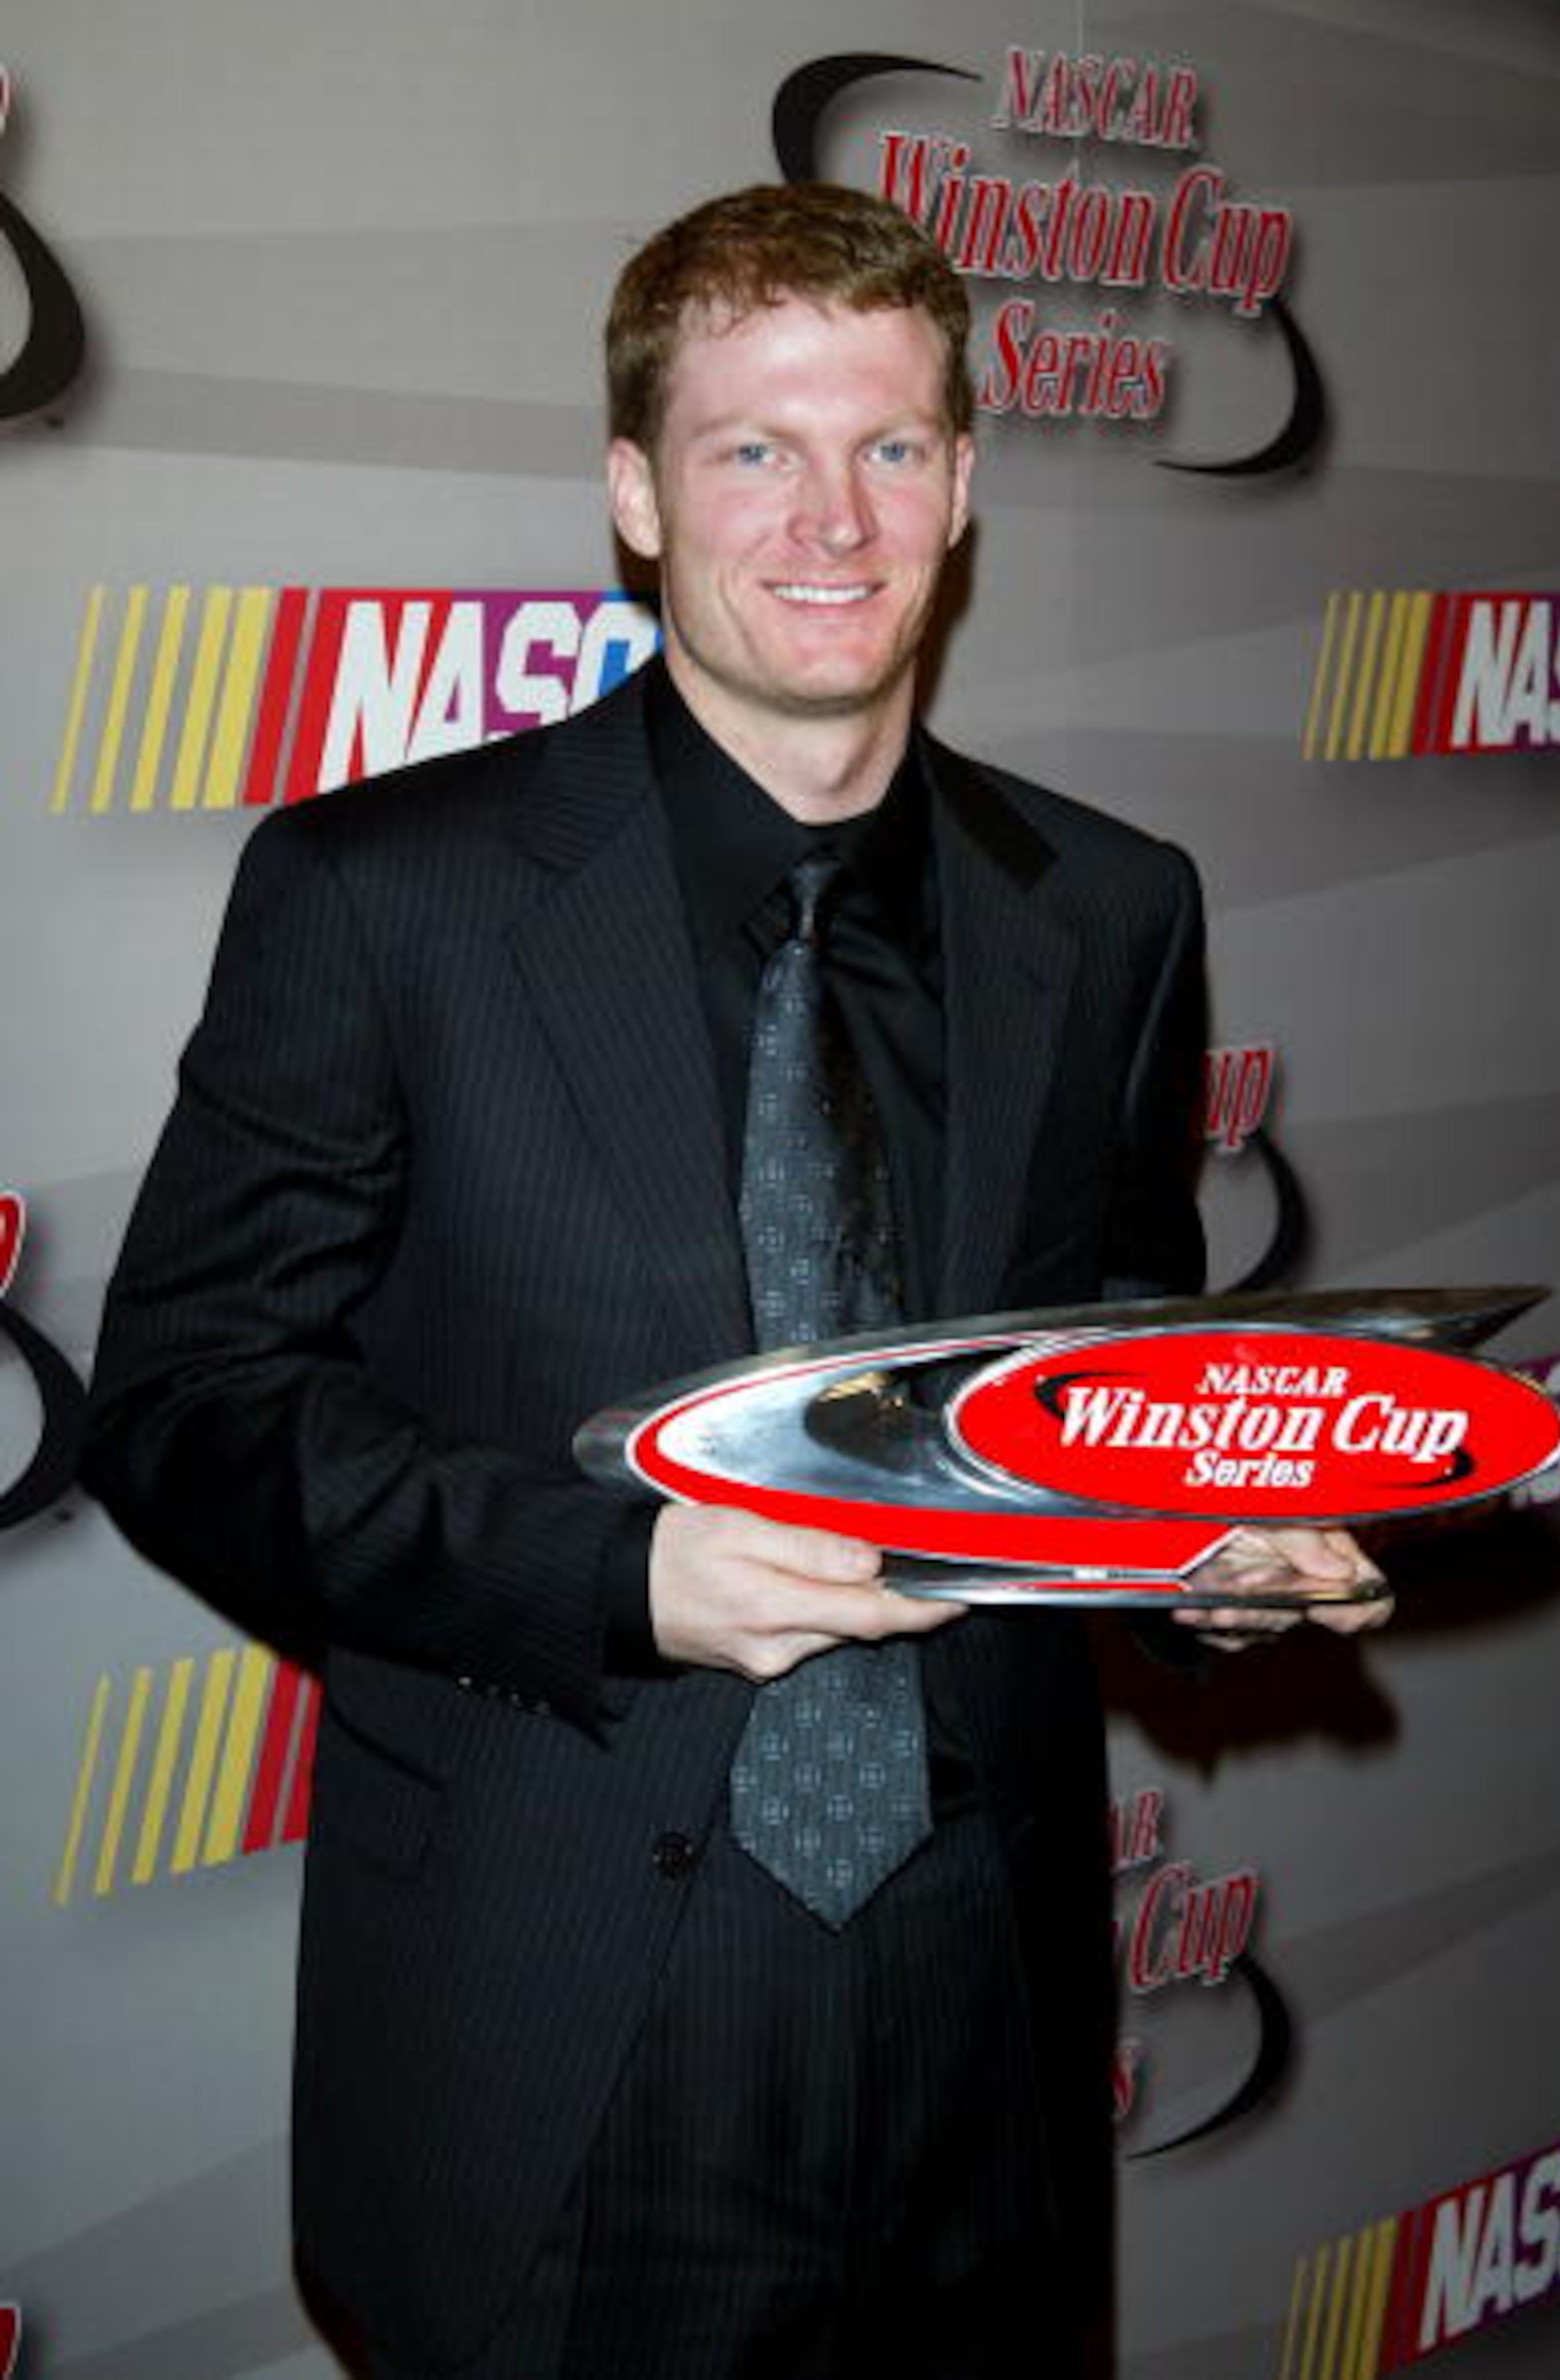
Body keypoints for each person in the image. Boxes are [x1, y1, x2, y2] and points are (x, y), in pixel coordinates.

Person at [83, 182, 1386, 2378]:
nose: (832, 519)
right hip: (561, 2016)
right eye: (754, 448)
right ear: (636, 492)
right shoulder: (384, 896)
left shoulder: (1109, 908)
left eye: (889, 446)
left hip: (985, 2022)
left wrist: (1209, 1546)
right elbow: (188, 1401)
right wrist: (620, 1574)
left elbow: (1114, 1376)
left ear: (965, 483)